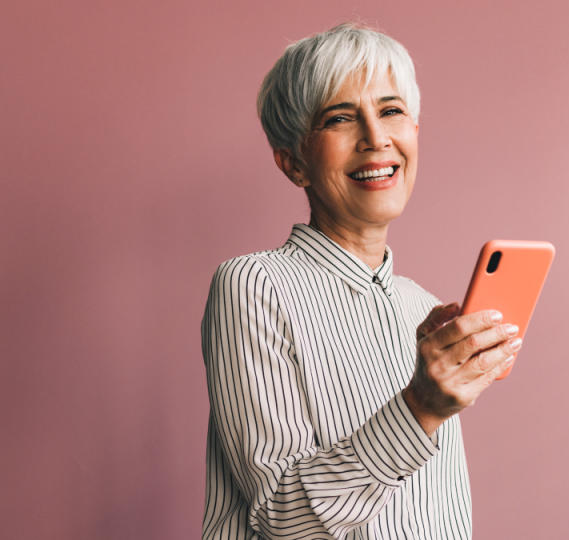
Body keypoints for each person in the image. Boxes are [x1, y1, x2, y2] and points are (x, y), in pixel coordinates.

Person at [201, 23, 522, 539]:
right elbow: (282, 519)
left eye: (391, 111)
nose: (376, 138)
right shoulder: (253, 284)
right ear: (292, 162)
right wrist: (419, 409)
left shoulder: (421, 307)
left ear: (415, 132)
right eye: (339, 118)